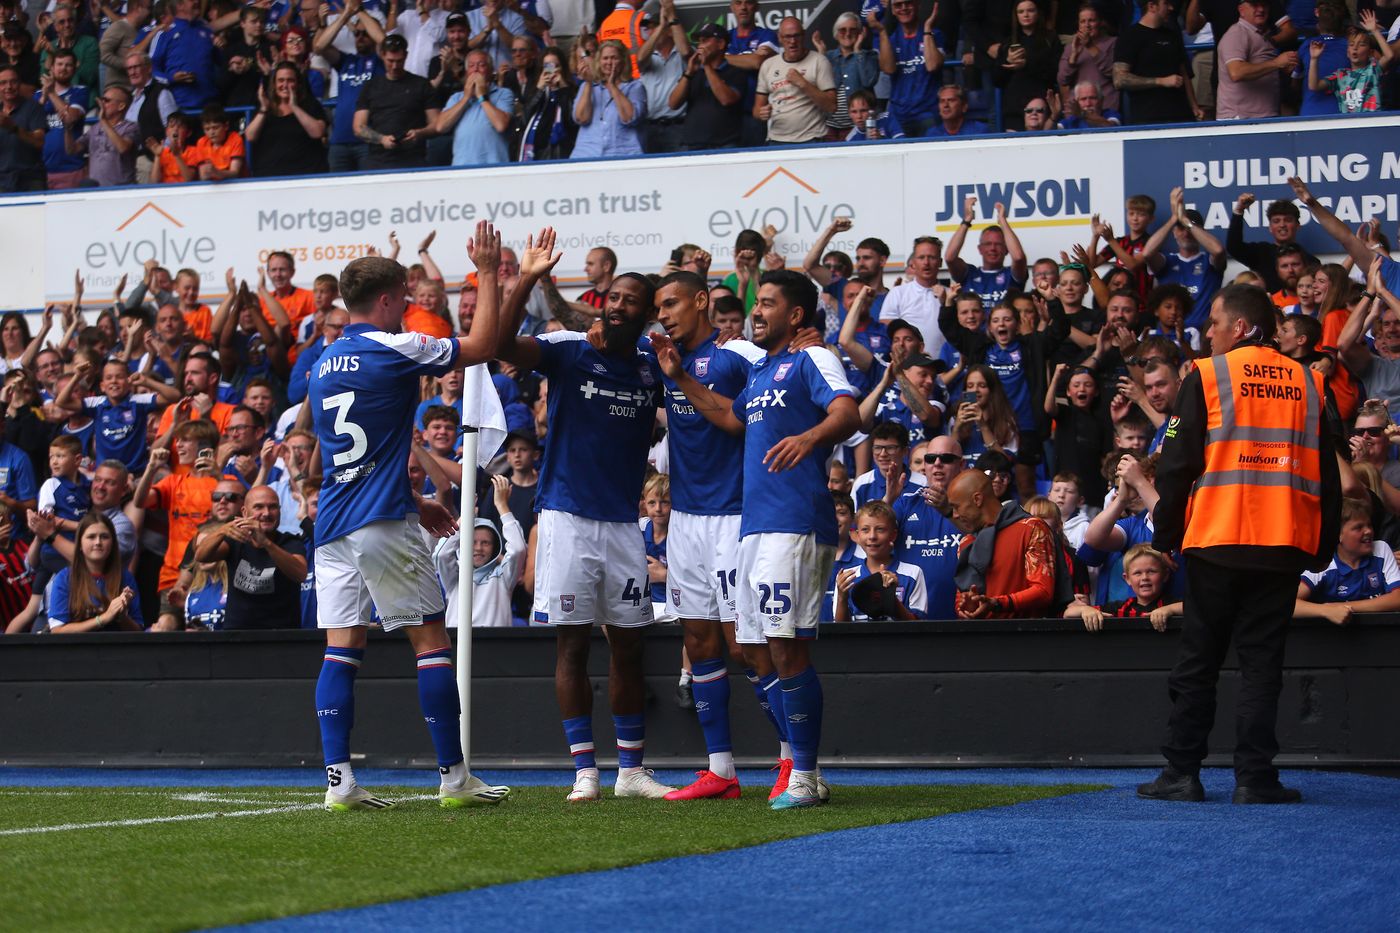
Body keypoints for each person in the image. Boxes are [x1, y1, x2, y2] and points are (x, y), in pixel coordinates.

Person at [308, 223, 509, 811]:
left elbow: (353, 442)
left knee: (340, 649)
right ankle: (453, 777)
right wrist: (490, 271)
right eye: (407, 299)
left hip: (334, 522)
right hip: (380, 521)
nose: (411, 310)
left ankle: (339, 783)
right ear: (391, 298)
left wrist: (412, 496)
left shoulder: (324, 361)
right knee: (429, 640)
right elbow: (482, 348)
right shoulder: (393, 346)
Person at [653, 268, 860, 809]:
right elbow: (728, 415)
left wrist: (809, 436)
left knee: (786, 649)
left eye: (768, 303)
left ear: (796, 315)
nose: (756, 311)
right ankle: (793, 773)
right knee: (758, 646)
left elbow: (847, 411)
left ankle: (804, 773)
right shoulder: (765, 370)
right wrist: (680, 378)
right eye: (756, 302)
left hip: (793, 523)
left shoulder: (812, 358)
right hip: (756, 530)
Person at [1142, 283, 1341, 805]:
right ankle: (1255, 779)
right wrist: (1321, 549)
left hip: (1215, 539)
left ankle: (1181, 774)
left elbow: (1176, 460)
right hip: (1283, 544)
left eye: (1214, 323)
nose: (1207, 334)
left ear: (1242, 327)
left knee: (1199, 660)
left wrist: (1165, 536)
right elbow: (1329, 476)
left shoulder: (1207, 375)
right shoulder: (1311, 383)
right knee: (1261, 664)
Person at [495, 228, 674, 803]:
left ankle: (630, 772)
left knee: (629, 645)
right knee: (571, 645)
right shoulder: (571, 348)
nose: (617, 306)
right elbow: (502, 345)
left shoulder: (654, 363)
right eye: (612, 298)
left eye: (629, 301)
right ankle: (583, 772)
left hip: (623, 524)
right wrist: (525, 278)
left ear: (647, 315)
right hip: (568, 518)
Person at [947, 469, 1062, 618]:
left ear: (977, 499)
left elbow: (1043, 591)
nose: (955, 515)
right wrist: (965, 607)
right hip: (979, 638)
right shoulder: (966, 542)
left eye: (956, 507)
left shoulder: (1031, 528)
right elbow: (962, 596)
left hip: (1023, 636)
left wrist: (997, 603)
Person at [194, 485, 306, 628]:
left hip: (281, 635)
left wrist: (266, 543)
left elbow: (300, 574)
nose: (266, 513)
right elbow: (201, 555)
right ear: (245, 513)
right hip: (238, 635)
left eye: (272, 507)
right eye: (258, 507)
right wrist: (221, 531)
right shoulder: (235, 540)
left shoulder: (290, 542)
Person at [433, 474, 527, 628]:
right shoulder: (455, 576)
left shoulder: (503, 576)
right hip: (459, 646)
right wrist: (465, 516)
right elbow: (440, 554)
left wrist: (502, 506)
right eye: (472, 542)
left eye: (486, 543)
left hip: (494, 647)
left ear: (495, 547)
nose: (478, 548)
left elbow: (518, 549)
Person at [1295, 497, 1400, 623]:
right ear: (1338, 535)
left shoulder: (1381, 549)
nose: (1368, 531)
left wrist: (1343, 607)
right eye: (1358, 527)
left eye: (1369, 525)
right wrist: (1325, 611)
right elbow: (1290, 604)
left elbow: (1397, 599)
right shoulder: (1324, 563)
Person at [316, 0, 385, 173]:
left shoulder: (382, 62)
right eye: (356, 33)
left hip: (368, 142)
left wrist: (359, 10)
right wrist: (347, 14)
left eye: (364, 33)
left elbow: (383, 41)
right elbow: (319, 46)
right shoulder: (346, 61)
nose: (360, 37)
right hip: (339, 142)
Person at [354, 33, 439, 171]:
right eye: (390, 61)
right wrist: (381, 139)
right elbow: (358, 127)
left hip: (414, 160)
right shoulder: (371, 86)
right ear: (382, 55)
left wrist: (419, 133)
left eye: (399, 61)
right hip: (378, 161)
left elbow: (436, 124)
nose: (394, 66)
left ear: (406, 55)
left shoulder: (421, 84)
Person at [45, 513, 142, 633]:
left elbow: (137, 631)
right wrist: (104, 618)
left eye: (104, 537)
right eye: (91, 537)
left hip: (116, 650)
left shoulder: (126, 577)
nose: (98, 542)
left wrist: (121, 616)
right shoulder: (64, 578)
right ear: (79, 544)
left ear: (113, 543)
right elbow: (57, 630)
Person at [833, 499, 927, 621]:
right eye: (865, 529)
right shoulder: (847, 577)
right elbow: (841, 630)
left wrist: (890, 597)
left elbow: (918, 626)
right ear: (856, 535)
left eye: (880, 529)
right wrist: (842, 597)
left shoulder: (913, 573)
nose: (872, 536)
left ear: (893, 535)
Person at [1113, 0, 1200, 124]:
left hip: (1181, 115)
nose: (1171, 8)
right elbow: (1119, 80)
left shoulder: (1172, 35)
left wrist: (1194, 106)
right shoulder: (1129, 37)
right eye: (1166, 3)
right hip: (1148, 117)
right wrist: (1160, 81)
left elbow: (1183, 72)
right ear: (1152, 6)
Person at [1064, 543, 1181, 632]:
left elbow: (1194, 608)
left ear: (1165, 575)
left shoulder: (1170, 604)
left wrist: (1168, 610)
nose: (1144, 577)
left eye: (1151, 571)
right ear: (1127, 579)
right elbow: (1068, 613)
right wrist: (1085, 610)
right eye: (1137, 573)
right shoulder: (1120, 608)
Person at [754, 17, 835, 145]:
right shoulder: (768, 65)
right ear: (779, 38)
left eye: (796, 36)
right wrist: (761, 113)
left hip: (812, 139)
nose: (792, 41)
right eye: (787, 37)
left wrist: (803, 84)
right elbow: (757, 109)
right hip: (777, 140)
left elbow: (831, 106)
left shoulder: (819, 61)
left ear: (803, 36)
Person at [1216, 0, 1297, 119]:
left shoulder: (1260, 34)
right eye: (1255, 5)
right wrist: (1276, 63)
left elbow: (1261, 67)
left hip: (1259, 117)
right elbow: (1236, 72)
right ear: (1241, 10)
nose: (1261, 9)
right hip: (1241, 119)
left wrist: (1281, 69)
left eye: (1264, 4)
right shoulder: (1237, 33)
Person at [876, 0, 944, 137]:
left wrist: (927, 29)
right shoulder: (890, 40)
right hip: (899, 115)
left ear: (918, 5)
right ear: (893, 11)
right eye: (898, 5)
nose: (903, 8)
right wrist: (882, 32)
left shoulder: (934, 34)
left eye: (908, 3)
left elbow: (932, 65)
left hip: (927, 113)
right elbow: (888, 69)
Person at [1225, 194, 1318, 293]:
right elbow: (1233, 247)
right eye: (1276, 221)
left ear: (1297, 225)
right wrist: (1239, 211)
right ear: (1270, 227)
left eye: (1288, 220)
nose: (1282, 225)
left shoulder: (1311, 262)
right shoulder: (1260, 253)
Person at [944, 198, 1029, 307]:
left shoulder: (1011, 275)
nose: (992, 248)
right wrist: (967, 220)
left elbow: (1018, 257)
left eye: (998, 244)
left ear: (1007, 249)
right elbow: (950, 258)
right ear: (980, 249)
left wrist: (1002, 221)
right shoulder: (969, 274)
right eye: (988, 244)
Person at [673, 23, 744, 151]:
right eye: (699, 42)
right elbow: (673, 104)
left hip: (724, 145)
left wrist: (706, 66)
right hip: (691, 144)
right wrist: (688, 74)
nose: (700, 46)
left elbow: (726, 99)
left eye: (705, 41)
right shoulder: (694, 73)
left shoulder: (735, 72)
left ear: (721, 44)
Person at [436, 49, 514, 166]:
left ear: (491, 70)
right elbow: (440, 127)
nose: (476, 69)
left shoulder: (503, 93)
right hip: (462, 167)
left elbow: (501, 125)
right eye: (471, 66)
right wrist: (466, 98)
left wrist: (482, 97)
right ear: (467, 72)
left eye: (481, 65)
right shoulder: (456, 98)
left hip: (495, 166)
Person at [993, 0, 1062, 131]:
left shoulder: (1050, 39)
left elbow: (1055, 73)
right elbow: (997, 80)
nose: (1025, 15)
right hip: (1014, 108)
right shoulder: (1007, 43)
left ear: (1038, 13)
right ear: (1016, 15)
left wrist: (1027, 64)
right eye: (1021, 11)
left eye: (1030, 10)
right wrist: (1007, 62)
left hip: (1042, 104)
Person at [571, 39, 646, 158]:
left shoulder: (635, 87)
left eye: (614, 58)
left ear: (623, 61)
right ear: (599, 62)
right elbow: (581, 118)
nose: (609, 62)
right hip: (586, 155)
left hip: (623, 156)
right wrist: (589, 83)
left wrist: (612, 86)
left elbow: (630, 117)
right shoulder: (587, 86)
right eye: (605, 58)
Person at [1307, 11, 1393, 113]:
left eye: (1361, 44)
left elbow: (1389, 56)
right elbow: (1314, 86)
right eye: (1351, 45)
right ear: (1347, 52)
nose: (1355, 48)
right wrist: (1314, 59)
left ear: (1370, 52)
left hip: (1372, 123)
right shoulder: (1340, 75)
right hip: (1349, 124)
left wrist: (1374, 31)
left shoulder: (1373, 69)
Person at [635, 0, 689, 154]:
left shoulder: (681, 51)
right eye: (647, 27)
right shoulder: (647, 55)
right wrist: (661, 27)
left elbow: (685, 51)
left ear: (669, 29)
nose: (648, 31)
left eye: (651, 26)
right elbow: (639, 60)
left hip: (678, 127)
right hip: (649, 127)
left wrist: (669, 20)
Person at [150, 0, 217, 111]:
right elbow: (151, 70)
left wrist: (220, 47)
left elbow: (220, 63)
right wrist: (171, 78)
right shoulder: (164, 34)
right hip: (178, 109)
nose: (197, 1)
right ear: (179, 5)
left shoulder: (207, 30)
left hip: (210, 107)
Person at [1057, 4, 1118, 116]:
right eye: (1083, 21)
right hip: (1077, 110)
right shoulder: (1070, 47)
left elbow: (1113, 72)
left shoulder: (1113, 43)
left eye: (1091, 21)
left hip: (1105, 108)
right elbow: (1062, 79)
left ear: (1100, 22)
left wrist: (1090, 46)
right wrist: (1074, 55)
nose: (1087, 25)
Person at [0, 65, 48, 193]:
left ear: (20, 84)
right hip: (2, 182)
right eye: (3, 83)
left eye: (13, 82)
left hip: (31, 180)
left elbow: (39, 142)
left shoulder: (33, 108)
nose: (8, 87)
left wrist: (13, 128)